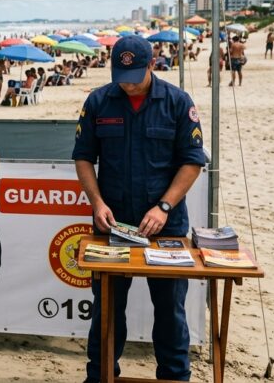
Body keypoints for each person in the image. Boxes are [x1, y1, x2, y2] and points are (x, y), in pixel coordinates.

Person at [72, 35, 206, 383]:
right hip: (112, 226)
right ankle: (100, 376)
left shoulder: (177, 102)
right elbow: (84, 157)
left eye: (134, 76)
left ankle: (175, 378)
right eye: (121, 76)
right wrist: (97, 202)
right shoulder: (99, 101)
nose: (128, 85)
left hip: (167, 228)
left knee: (170, 313)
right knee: (107, 311)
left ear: (151, 65)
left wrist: (164, 206)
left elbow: (192, 162)